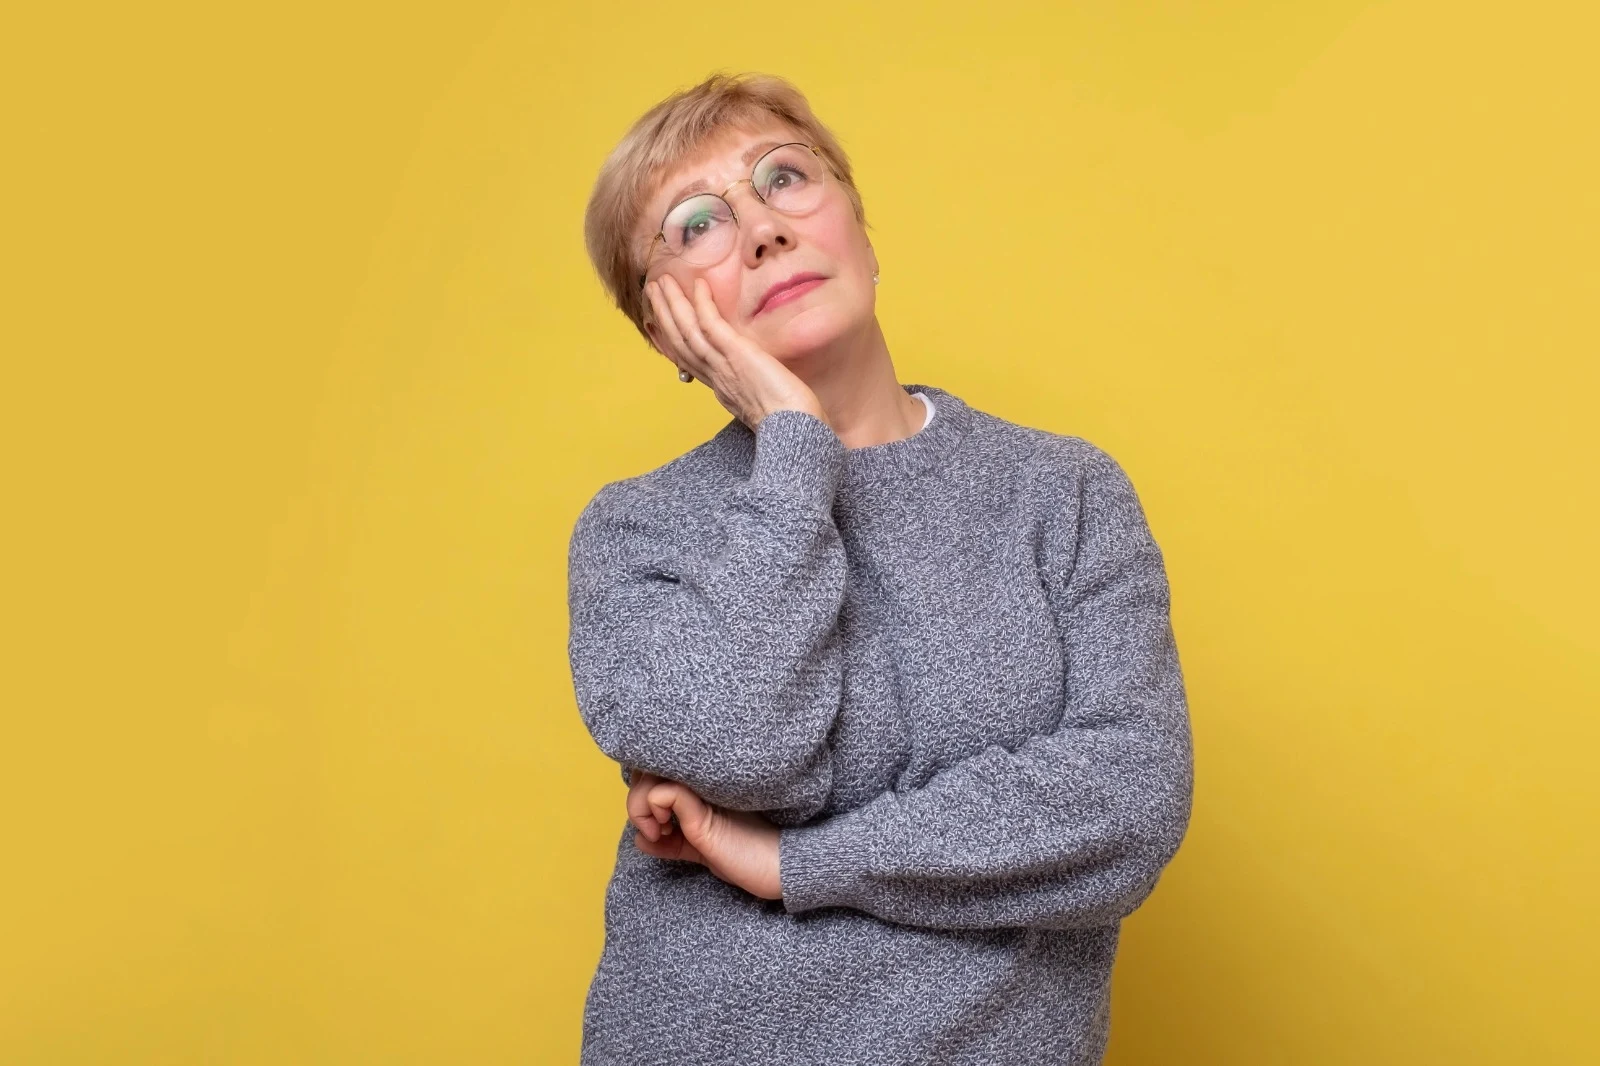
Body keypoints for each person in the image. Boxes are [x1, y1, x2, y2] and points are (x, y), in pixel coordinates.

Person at [569, 70, 1194, 1065]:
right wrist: (791, 446)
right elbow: (746, 751)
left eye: (787, 178)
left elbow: (1123, 804)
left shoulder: (1059, 491)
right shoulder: (638, 530)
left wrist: (784, 862)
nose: (764, 228)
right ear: (662, 331)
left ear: (861, 226)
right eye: (696, 224)